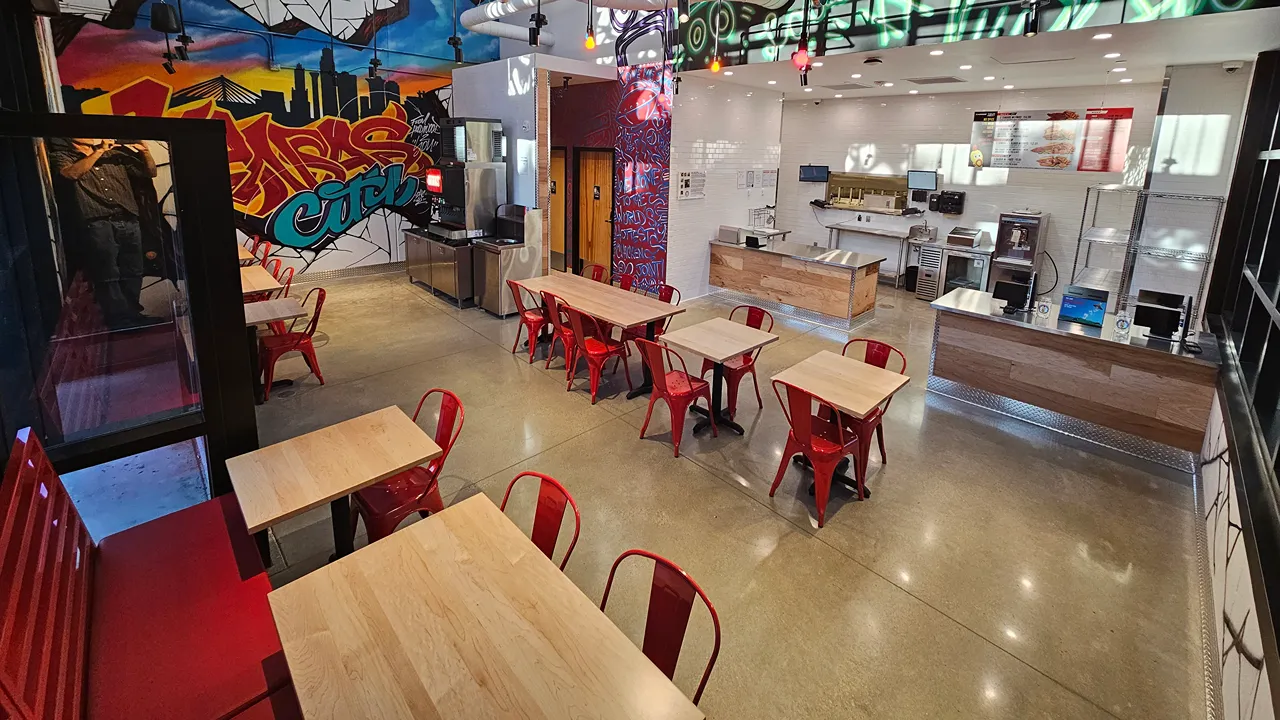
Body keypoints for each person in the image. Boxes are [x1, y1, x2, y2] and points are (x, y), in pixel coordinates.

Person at [48, 138, 159, 329]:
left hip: (127, 216)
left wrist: (145, 152)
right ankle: (118, 320)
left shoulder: (115, 154)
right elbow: (70, 174)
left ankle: (133, 314)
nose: (92, 136)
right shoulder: (62, 156)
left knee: (133, 269)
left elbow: (150, 172)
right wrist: (97, 152)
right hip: (97, 220)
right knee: (108, 272)